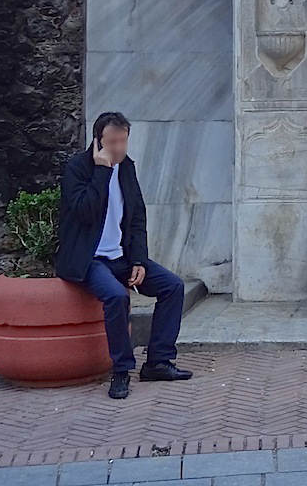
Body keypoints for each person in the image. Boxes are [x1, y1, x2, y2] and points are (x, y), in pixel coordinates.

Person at [55, 111, 193, 399]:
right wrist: (102, 171)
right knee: (117, 296)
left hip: (122, 257)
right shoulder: (77, 169)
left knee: (173, 286)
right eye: (112, 142)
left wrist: (139, 260)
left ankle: (158, 361)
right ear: (97, 141)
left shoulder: (127, 167)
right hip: (89, 259)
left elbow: (138, 216)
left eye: (123, 141)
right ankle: (121, 371)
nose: (118, 149)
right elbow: (84, 211)